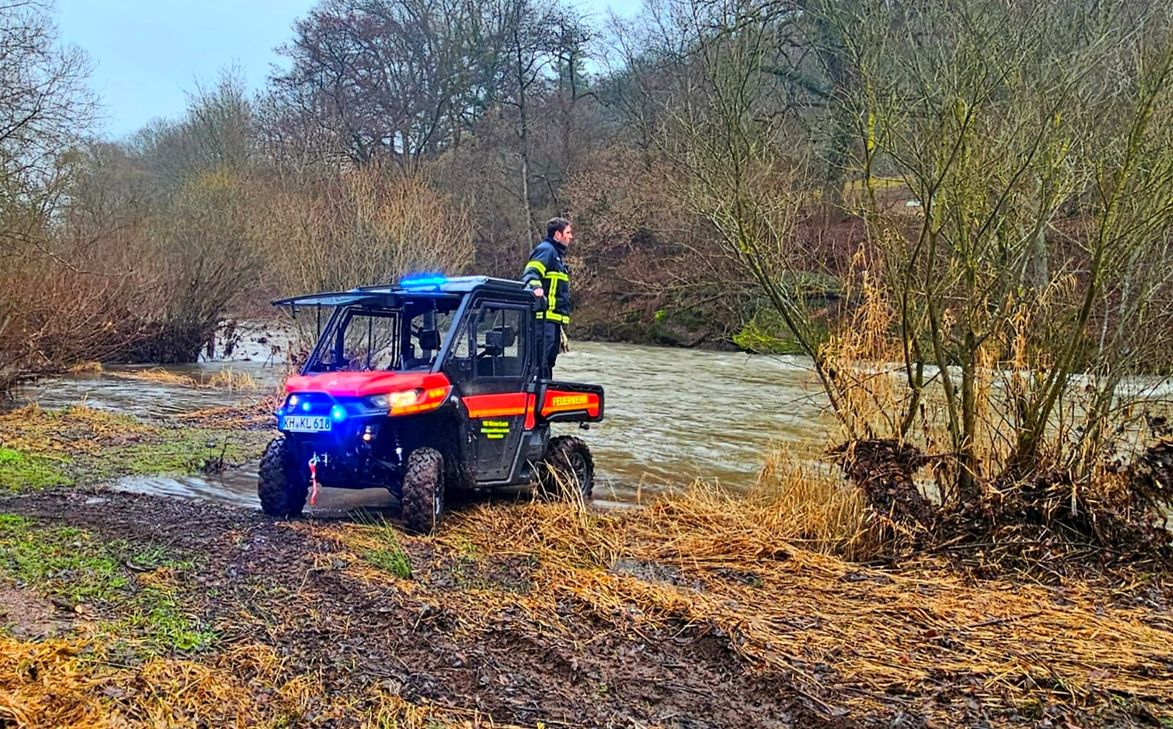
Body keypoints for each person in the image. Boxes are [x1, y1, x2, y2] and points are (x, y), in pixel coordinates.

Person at [521, 217, 574, 376]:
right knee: (541, 362)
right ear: (558, 234)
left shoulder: (556, 255)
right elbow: (531, 274)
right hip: (543, 320)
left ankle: (544, 387)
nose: (571, 236)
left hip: (552, 321)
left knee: (548, 361)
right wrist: (536, 288)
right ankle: (539, 390)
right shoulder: (546, 251)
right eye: (568, 233)